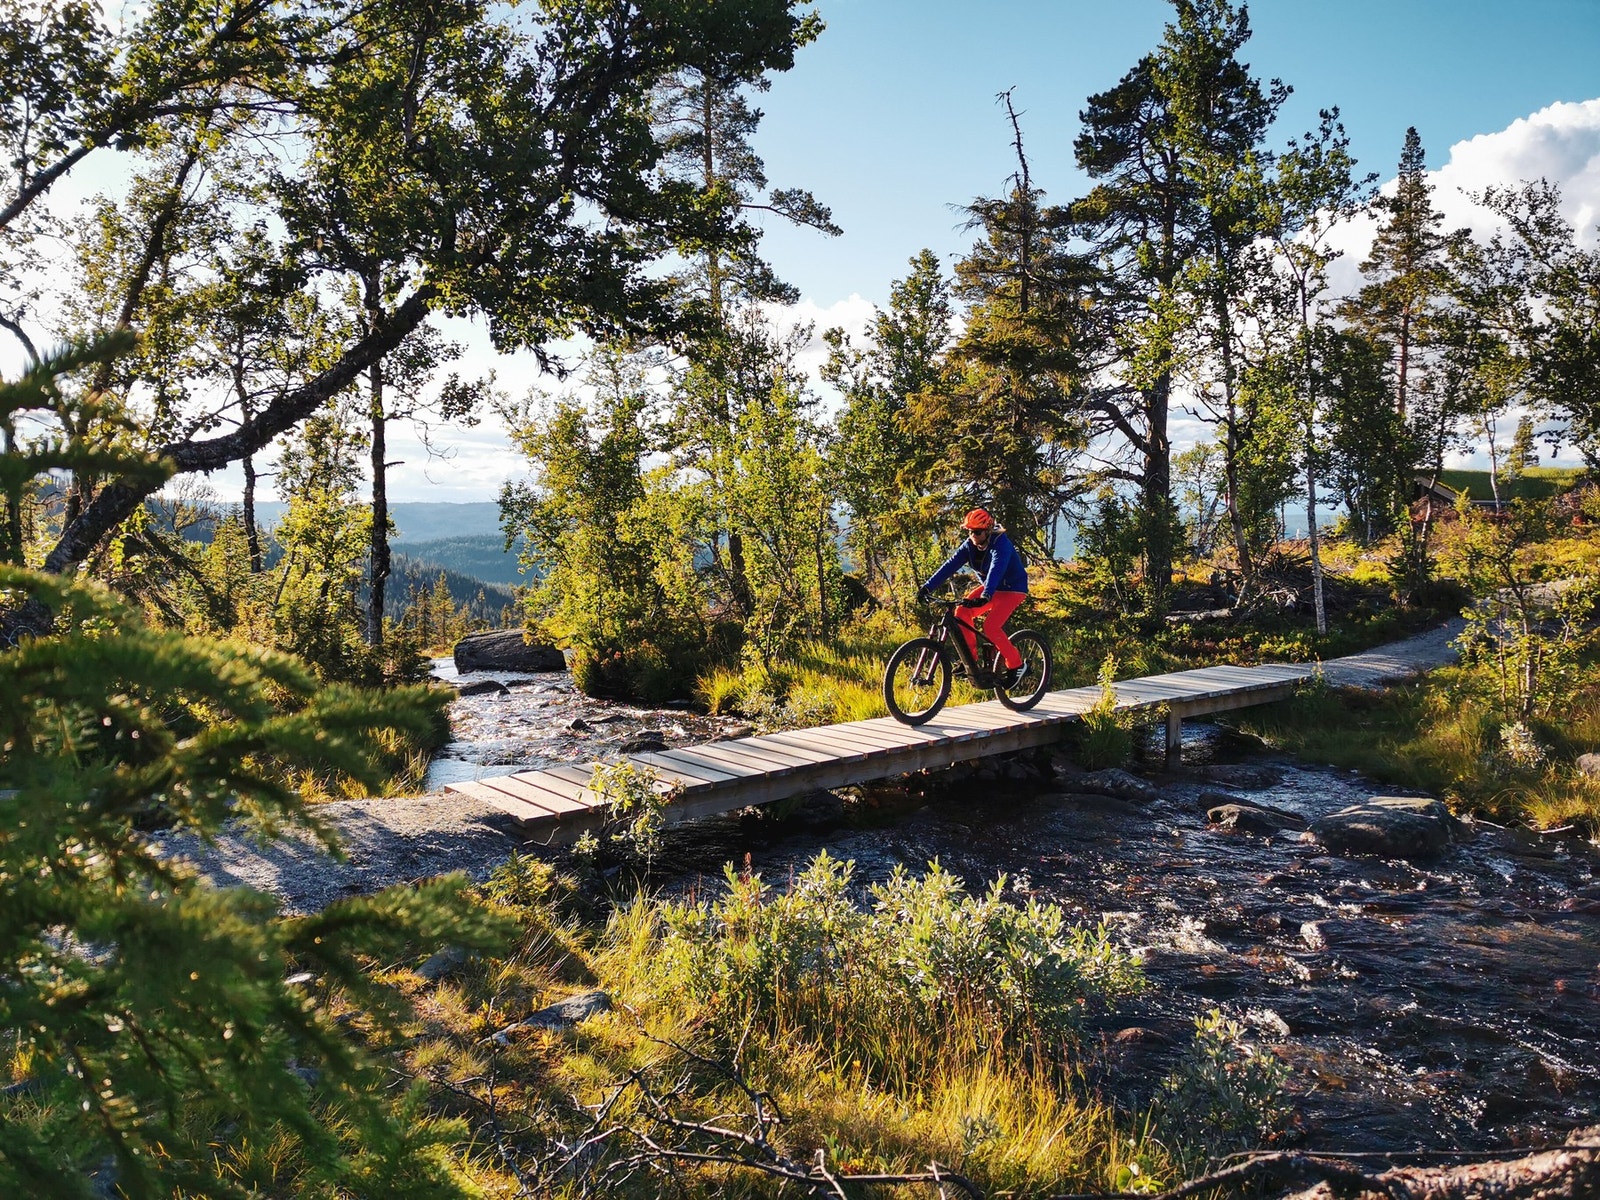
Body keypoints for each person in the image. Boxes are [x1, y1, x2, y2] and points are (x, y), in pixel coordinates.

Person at [917, 507, 1029, 685]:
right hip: (991, 589)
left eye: (977, 532)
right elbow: (949, 566)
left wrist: (986, 594)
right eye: (970, 532)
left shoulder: (1001, 543)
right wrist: (927, 587)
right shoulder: (970, 545)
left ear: (987, 530)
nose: (973, 536)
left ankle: (1017, 664)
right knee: (961, 612)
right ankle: (971, 661)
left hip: (1012, 589)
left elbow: (996, 569)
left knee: (991, 626)